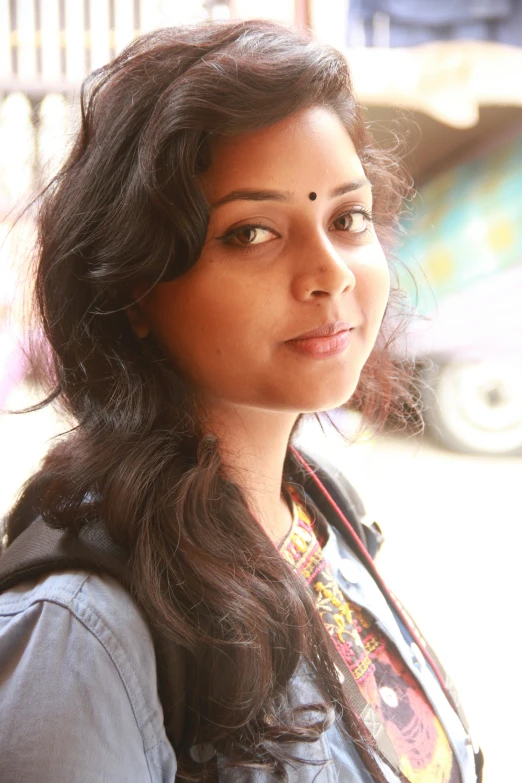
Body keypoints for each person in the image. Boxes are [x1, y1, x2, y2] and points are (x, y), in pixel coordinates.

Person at [0, 20, 480, 783]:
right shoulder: (83, 639)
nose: (330, 273)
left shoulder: (320, 507)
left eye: (346, 218)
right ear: (133, 287)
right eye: (252, 232)